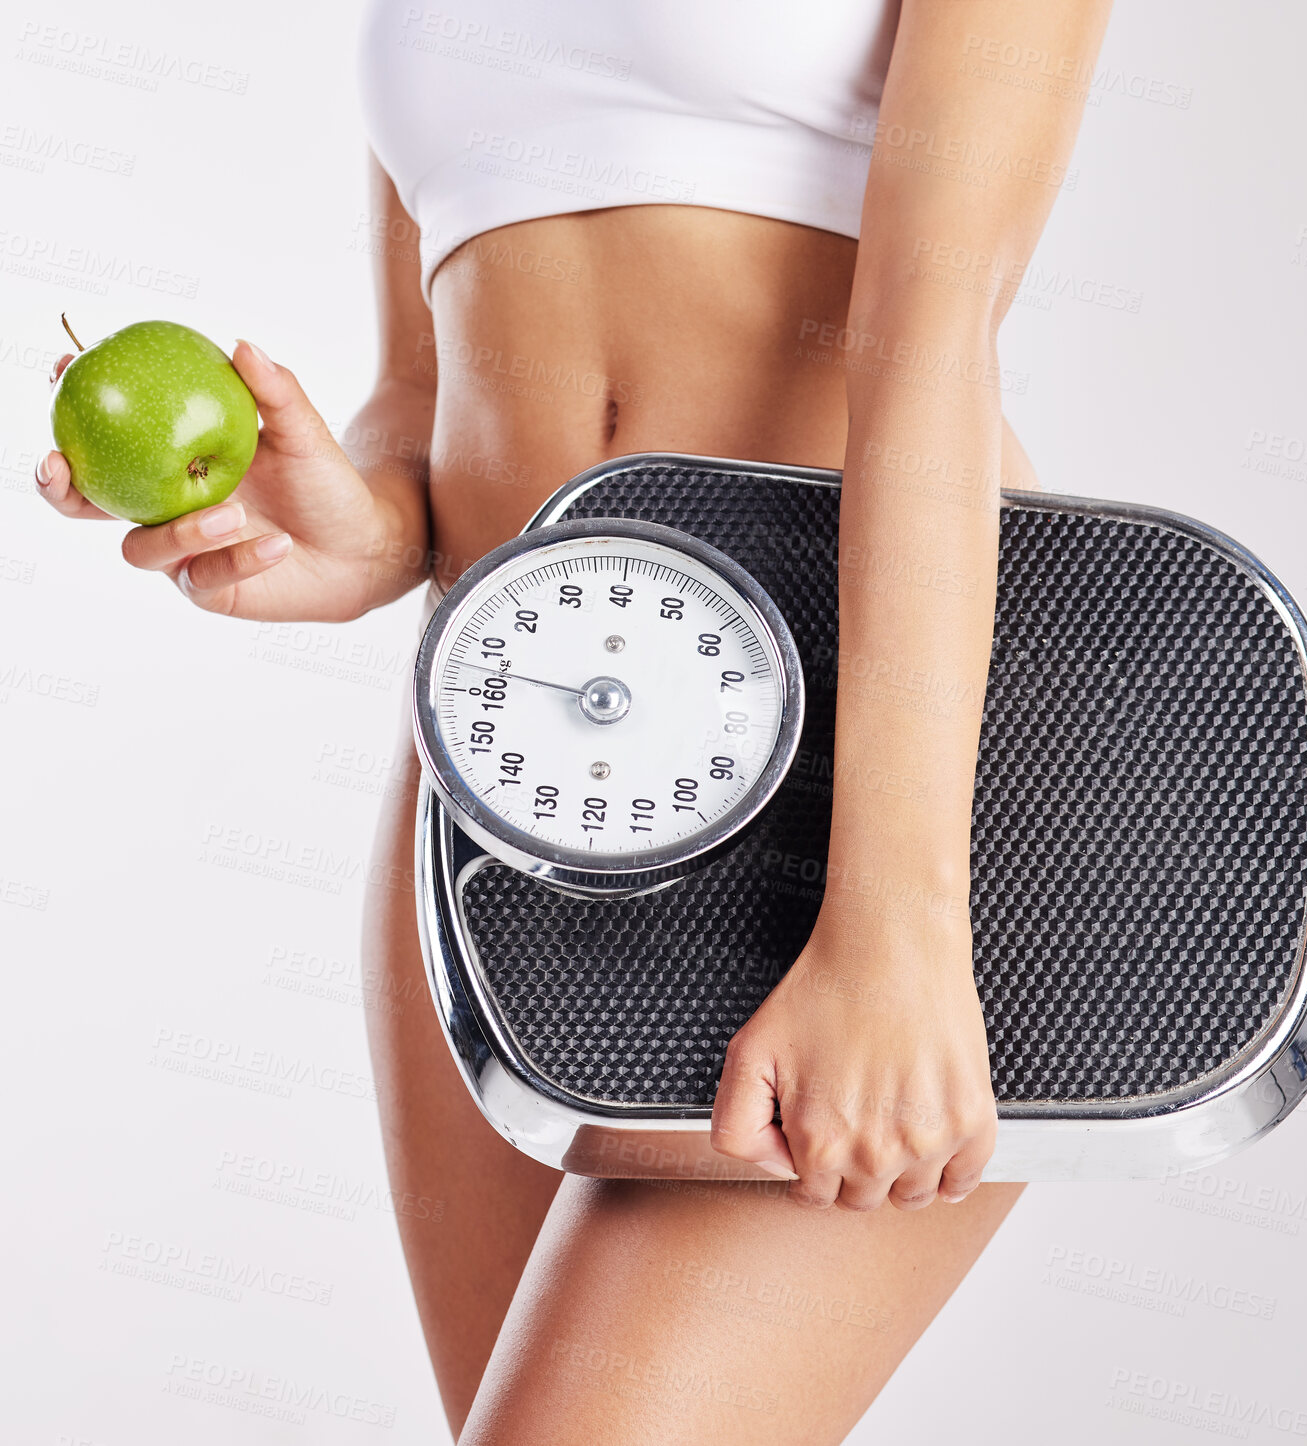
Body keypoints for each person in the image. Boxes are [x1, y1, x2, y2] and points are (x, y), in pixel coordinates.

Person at [36, 1, 1113, 1439]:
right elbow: (421, 401)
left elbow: (928, 346)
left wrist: (893, 928)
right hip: (513, 786)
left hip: (855, 785)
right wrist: (353, 525)